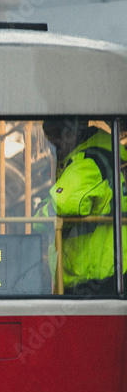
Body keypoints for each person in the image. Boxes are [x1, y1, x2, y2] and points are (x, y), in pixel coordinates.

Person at [40, 118, 127, 294]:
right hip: (105, 271)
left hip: (99, 275)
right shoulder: (104, 154)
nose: (52, 143)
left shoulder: (89, 160)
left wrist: (37, 217)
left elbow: (65, 204)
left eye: (55, 135)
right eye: (48, 137)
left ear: (72, 132)